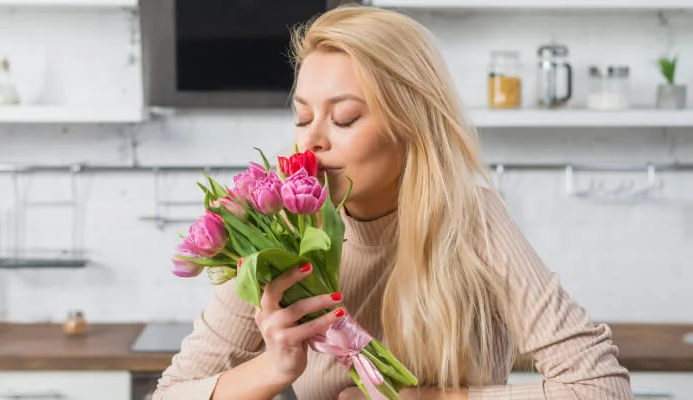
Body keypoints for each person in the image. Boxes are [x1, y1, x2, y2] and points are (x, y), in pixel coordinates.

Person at [153, 5, 633, 400]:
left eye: (344, 118)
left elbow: (600, 387)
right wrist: (272, 369)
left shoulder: (472, 220)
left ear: (409, 127)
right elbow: (171, 393)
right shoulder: (276, 236)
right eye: (303, 117)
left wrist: (410, 399)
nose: (312, 140)